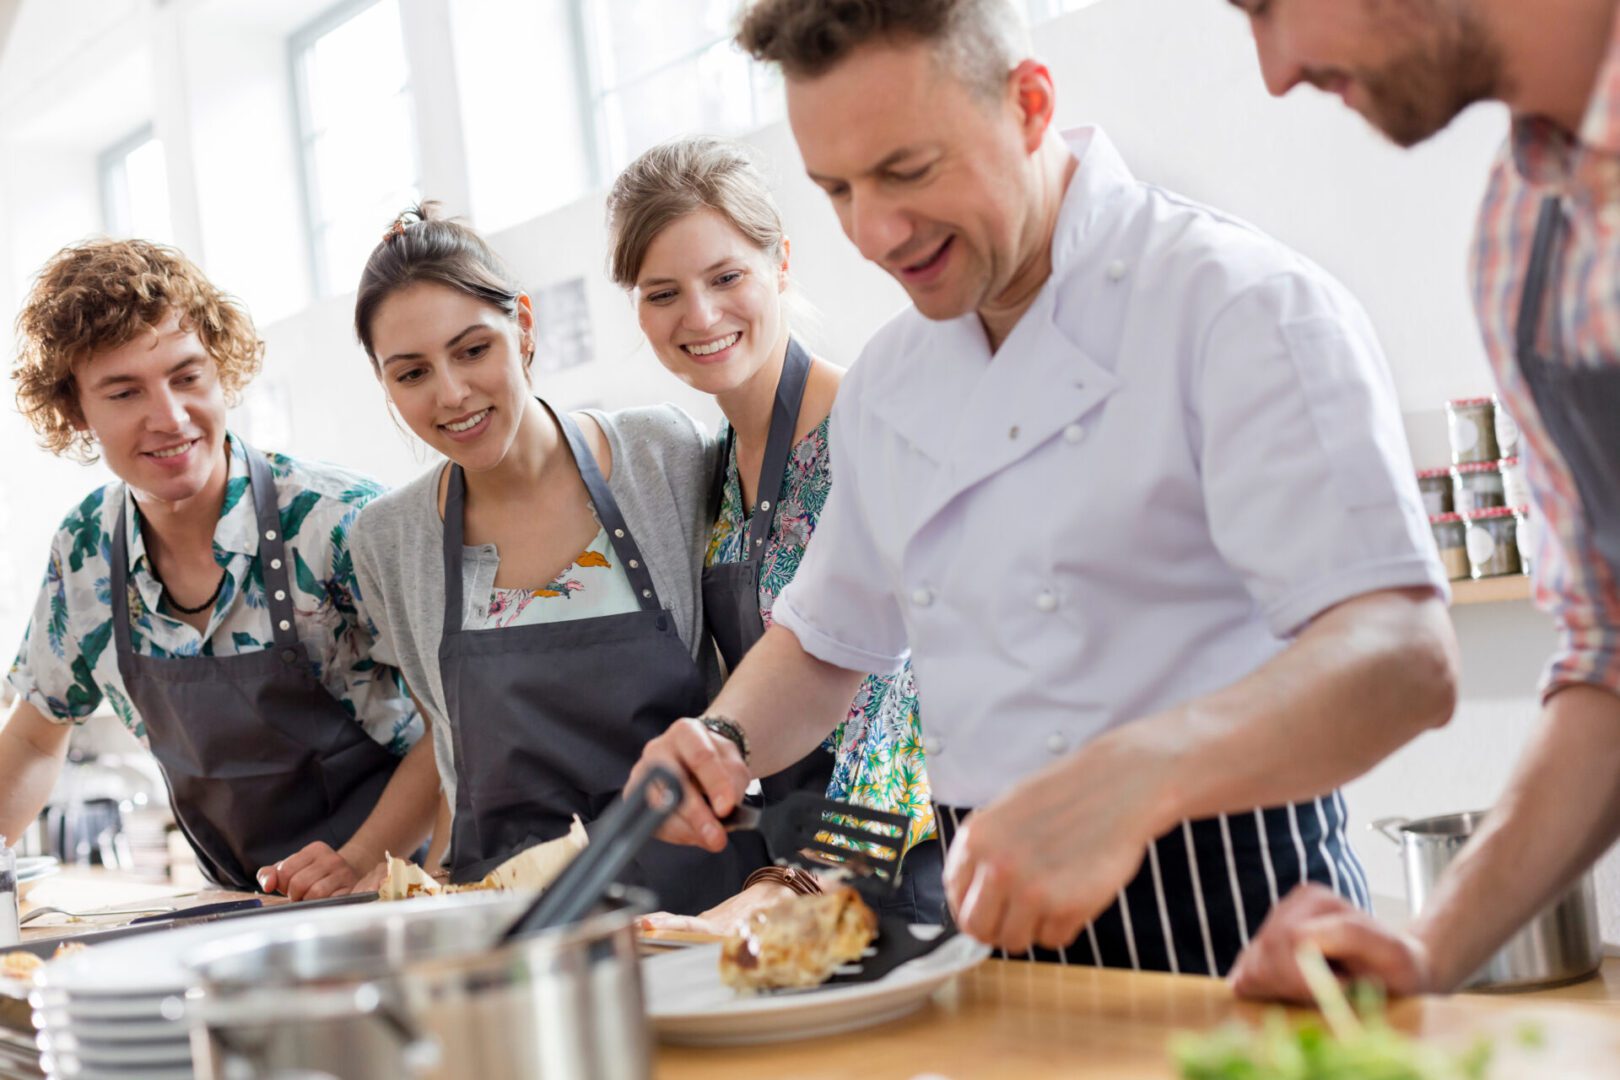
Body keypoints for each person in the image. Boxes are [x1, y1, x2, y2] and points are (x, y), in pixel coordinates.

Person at [625, 0, 1460, 976]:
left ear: (1029, 105)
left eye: (908, 170)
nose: (876, 231)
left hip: (1245, 930)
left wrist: (1138, 777)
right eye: (838, 188)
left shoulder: (1235, 305)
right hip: (1000, 950)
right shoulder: (891, 381)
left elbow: (1403, 657)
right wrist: (719, 738)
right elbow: (823, 645)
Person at [1225, 0, 1620, 1000]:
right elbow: (1612, 659)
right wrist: (1428, 948)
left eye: (1265, 7)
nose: (1272, 74)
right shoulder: (1524, 238)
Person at [347, 207, 768, 910]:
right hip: (516, 931)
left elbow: (763, 669)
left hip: (698, 909)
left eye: (473, 349)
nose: (451, 393)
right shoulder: (388, 540)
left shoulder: (665, 457)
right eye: (412, 373)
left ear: (526, 328)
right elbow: (452, 755)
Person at [0, 239, 434, 898]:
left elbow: (456, 716)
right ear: (76, 411)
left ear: (220, 368)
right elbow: (34, 739)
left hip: (394, 890)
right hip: (237, 908)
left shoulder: (337, 520)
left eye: (186, 376)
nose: (170, 417)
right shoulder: (85, 552)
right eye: (123, 392)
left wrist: (361, 858)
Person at [606, 136, 943, 931]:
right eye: (663, 293)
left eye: (726, 277)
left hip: (891, 879)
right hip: (787, 872)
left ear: (780, 264)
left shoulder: (866, 428)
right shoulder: (715, 466)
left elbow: (902, 715)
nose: (701, 315)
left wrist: (786, 890)